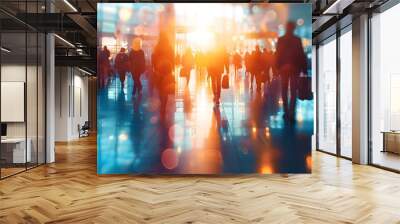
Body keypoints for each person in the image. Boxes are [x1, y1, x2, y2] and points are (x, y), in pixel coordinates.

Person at [275, 22, 307, 121]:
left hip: (284, 68)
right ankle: (292, 112)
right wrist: (304, 68)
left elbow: (278, 54)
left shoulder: (281, 40)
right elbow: (301, 54)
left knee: (284, 90)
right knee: (293, 91)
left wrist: (277, 67)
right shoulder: (297, 40)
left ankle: (286, 111)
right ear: (293, 29)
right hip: (295, 68)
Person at [152, 31, 175, 120]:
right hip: (167, 70)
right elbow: (172, 58)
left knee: (160, 88)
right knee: (165, 87)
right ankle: (164, 105)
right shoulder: (169, 47)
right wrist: (171, 67)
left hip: (159, 70)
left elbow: (153, 57)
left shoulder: (157, 47)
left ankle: (162, 103)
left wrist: (155, 67)